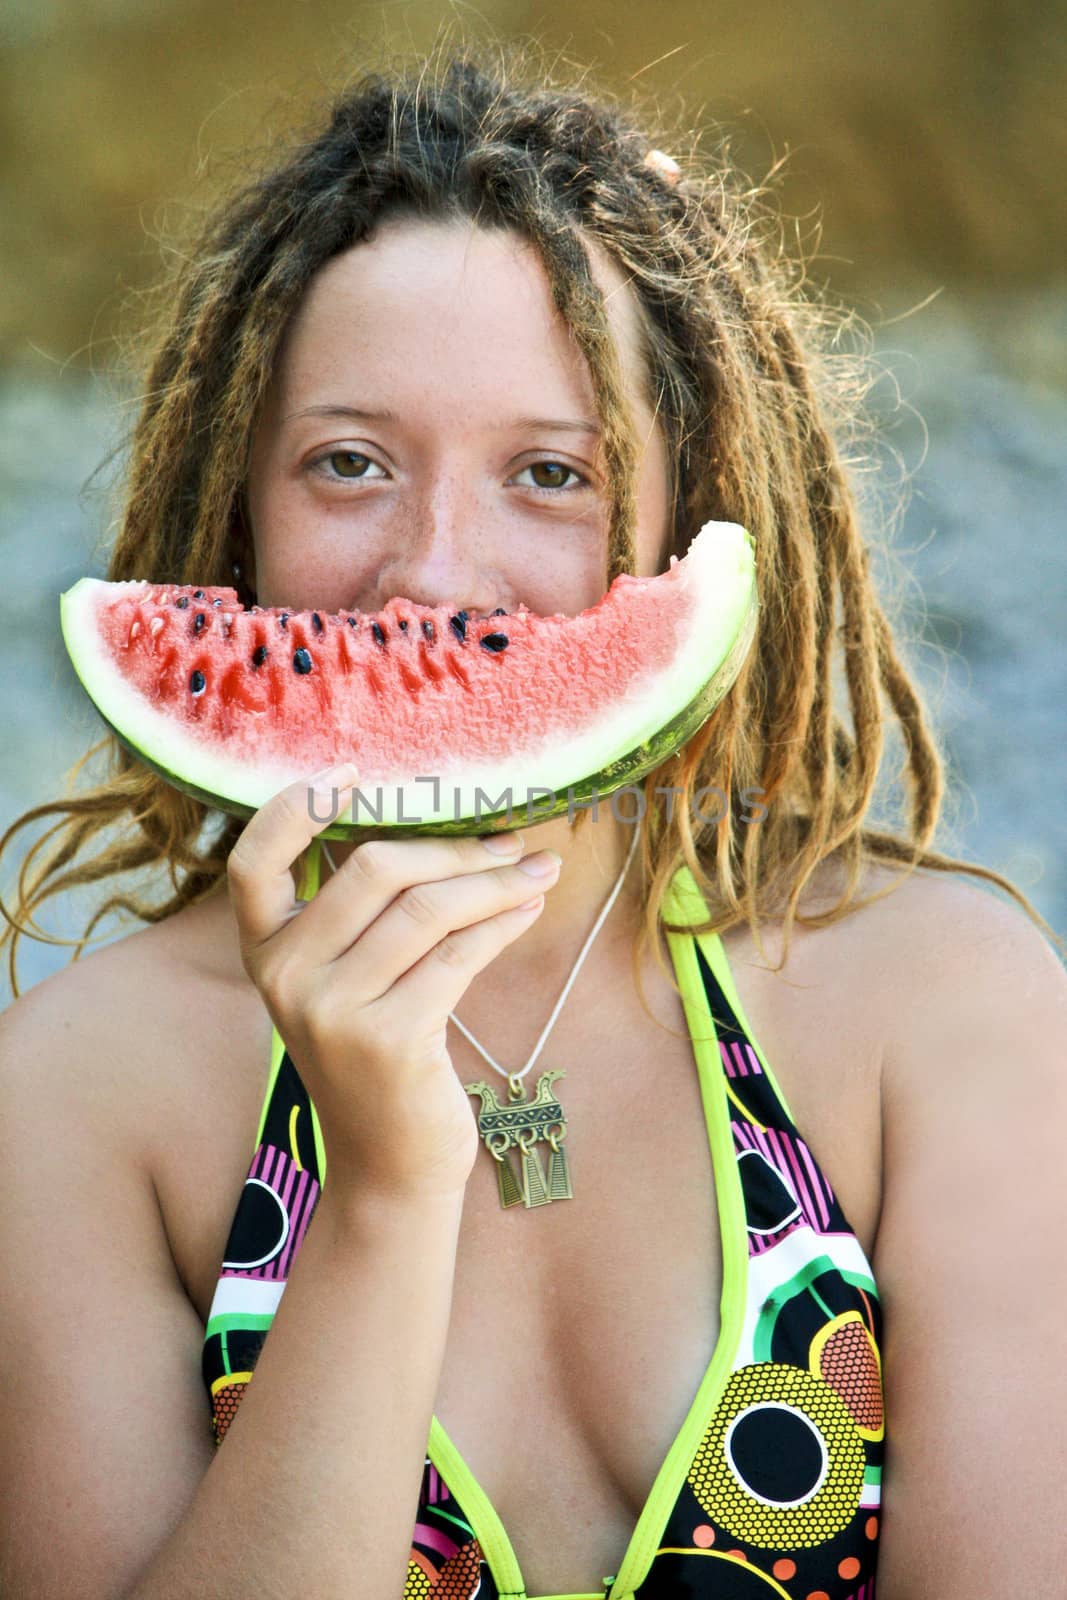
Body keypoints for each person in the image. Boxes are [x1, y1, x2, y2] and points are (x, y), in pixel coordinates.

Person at [1, 46, 1065, 1600]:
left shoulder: (948, 1013)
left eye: (551, 473)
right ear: (233, 507)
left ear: (687, 521)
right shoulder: (78, 1097)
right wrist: (378, 1199)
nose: (434, 575)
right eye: (348, 463)